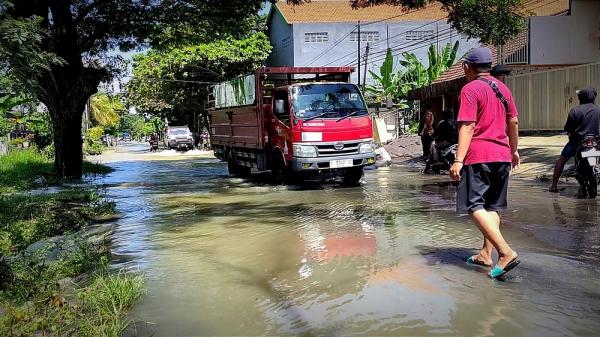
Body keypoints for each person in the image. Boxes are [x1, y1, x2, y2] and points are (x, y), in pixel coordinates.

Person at [449, 47, 521, 279]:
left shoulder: (470, 89)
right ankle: (485, 254)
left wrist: (458, 159)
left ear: (466, 67)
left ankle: (505, 251)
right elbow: (514, 121)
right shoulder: (504, 88)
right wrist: (514, 150)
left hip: (480, 155)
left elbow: (467, 126)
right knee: (492, 206)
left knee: (473, 205)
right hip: (502, 155)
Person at [549, 87, 600, 192]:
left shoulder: (575, 111)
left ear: (581, 97)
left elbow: (568, 128)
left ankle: (554, 186)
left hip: (577, 142)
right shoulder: (598, 110)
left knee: (562, 159)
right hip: (597, 142)